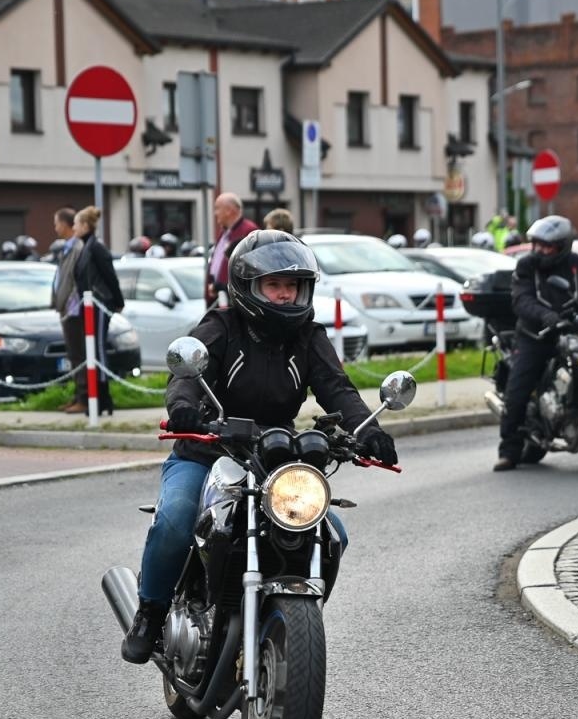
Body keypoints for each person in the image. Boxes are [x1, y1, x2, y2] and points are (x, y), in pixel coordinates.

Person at [120, 230, 399, 663]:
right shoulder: (222, 326)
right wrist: (184, 410)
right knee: (176, 519)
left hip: (273, 458)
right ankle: (151, 612)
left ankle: (286, 619)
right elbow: (186, 377)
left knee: (332, 534)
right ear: (248, 287)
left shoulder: (307, 336)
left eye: (293, 286)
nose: (286, 296)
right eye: (275, 285)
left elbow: (337, 389)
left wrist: (367, 430)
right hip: (207, 451)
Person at [494, 215, 578, 472]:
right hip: (537, 335)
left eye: (547, 245)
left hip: (575, 331)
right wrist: (546, 316)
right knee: (518, 388)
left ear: (563, 246)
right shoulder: (527, 267)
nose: (540, 250)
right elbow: (522, 300)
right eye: (537, 244)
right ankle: (508, 450)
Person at [51, 206, 124, 414]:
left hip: (100, 303)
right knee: (93, 351)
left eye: (76, 224)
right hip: (90, 305)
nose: (74, 228)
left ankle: (102, 397)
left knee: (98, 350)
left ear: (84, 225)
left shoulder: (96, 247)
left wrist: (118, 301)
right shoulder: (87, 246)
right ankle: (98, 397)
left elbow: (109, 275)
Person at [204, 192, 258, 304]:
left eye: (217, 208)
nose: (215, 213)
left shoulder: (249, 231)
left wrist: (223, 287)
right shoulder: (224, 232)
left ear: (229, 210)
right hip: (217, 297)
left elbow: (250, 272)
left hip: (230, 300)